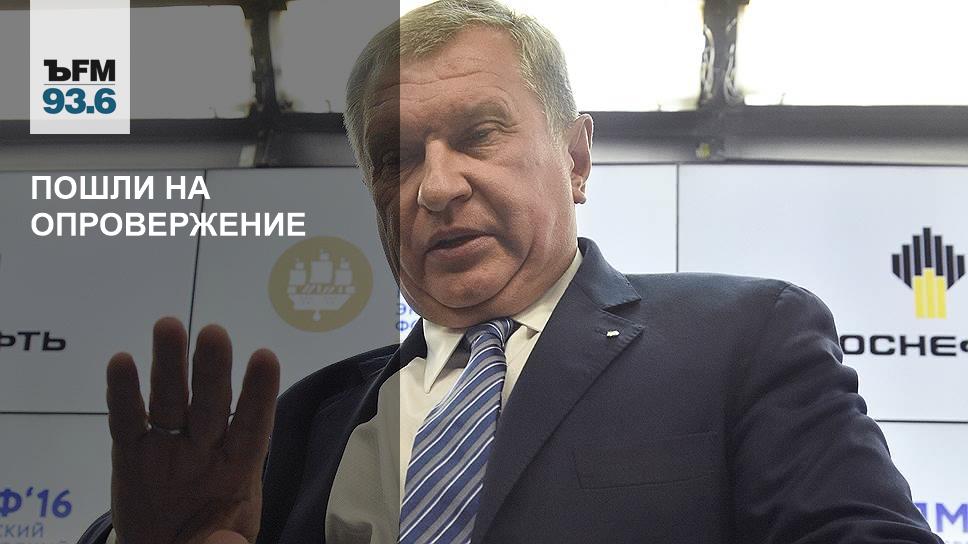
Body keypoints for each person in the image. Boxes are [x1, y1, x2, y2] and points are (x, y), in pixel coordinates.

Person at [81, 1, 942, 543]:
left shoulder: (744, 340)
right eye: (395, 157)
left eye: (478, 134)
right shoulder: (302, 420)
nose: (435, 186)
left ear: (575, 157)